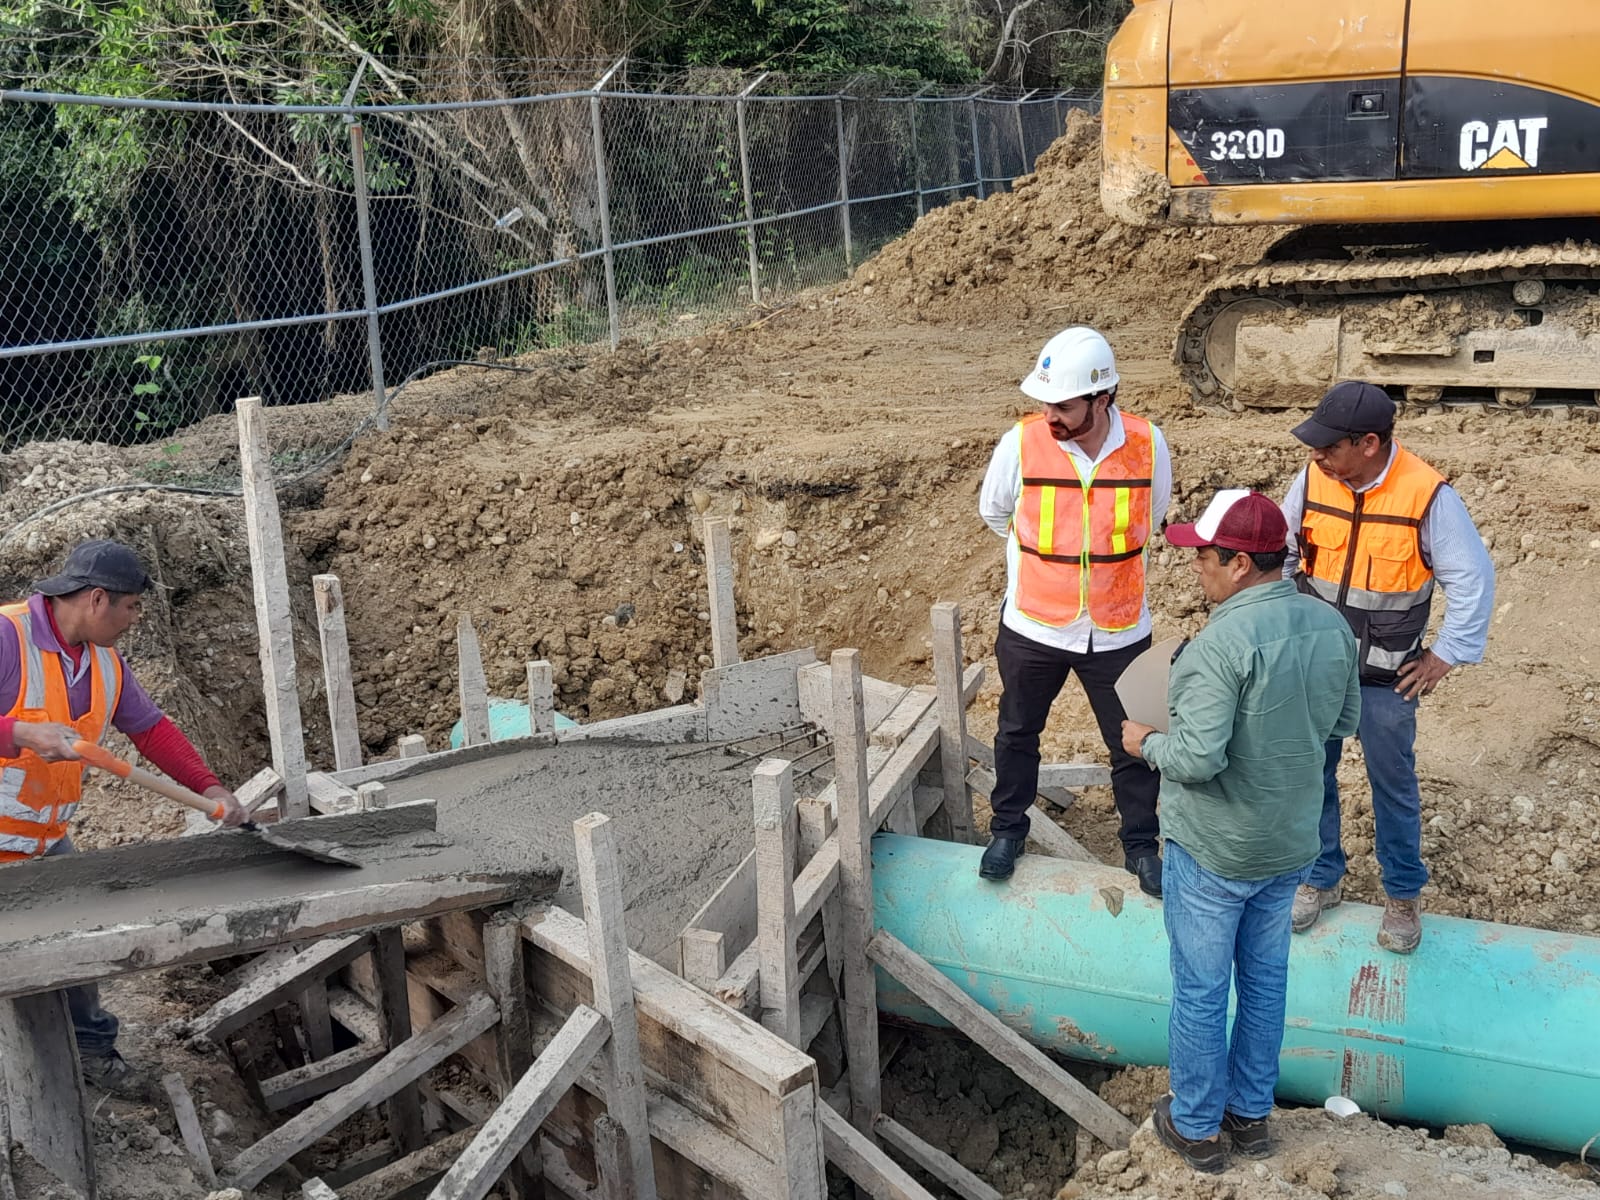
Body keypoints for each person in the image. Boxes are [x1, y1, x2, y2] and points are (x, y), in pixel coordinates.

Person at [1121, 489, 1360, 1173]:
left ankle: (1196, 1126)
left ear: (1240, 565)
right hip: (1289, 843)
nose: (1194, 566)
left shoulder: (1217, 645)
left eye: (1203, 555)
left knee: (1200, 989)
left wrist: (1144, 744)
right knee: (1264, 981)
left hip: (1216, 847)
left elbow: (1197, 758)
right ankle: (1250, 1117)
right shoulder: (1330, 626)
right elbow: (1342, 724)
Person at [0, 539, 248, 1096]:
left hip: (43, 839)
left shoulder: (104, 663)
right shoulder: (7, 636)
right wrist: (20, 732)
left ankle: (91, 1052)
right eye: (132, 606)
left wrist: (210, 788)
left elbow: (151, 730)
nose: (135, 619)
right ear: (96, 599)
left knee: (80, 946)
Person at [1282, 381, 1495, 954]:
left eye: (1330, 446)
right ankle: (1319, 878)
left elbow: (1473, 579)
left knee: (1392, 785)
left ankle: (1402, 895)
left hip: (1385, 677)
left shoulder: (1427, 496)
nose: (1317, 455)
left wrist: (1445, 655)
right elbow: (1283, 551)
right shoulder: (1312, 480)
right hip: (1318, 668)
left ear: (1369, 443)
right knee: (1311, 777)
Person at [978, 326, 1172, 894]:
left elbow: (1153, 515)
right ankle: (1007, 830)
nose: (1051, 416)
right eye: (1045, 404)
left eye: (1062, 405)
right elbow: (996, 513)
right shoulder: (1020, 443)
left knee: (1134, 741)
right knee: (1016, 732)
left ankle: (1141, 846)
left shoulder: (1147, 443)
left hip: (1118, 628)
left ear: (1102, 398)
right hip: (1034, 624)